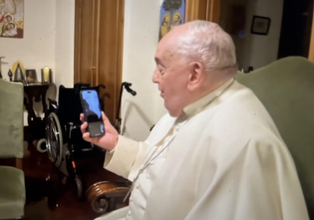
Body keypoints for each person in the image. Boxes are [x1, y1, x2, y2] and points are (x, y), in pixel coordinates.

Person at [80, 20, 309, 220]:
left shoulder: (244, 143)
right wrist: (116, 143)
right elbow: (159, 169)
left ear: (194, 74)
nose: (153, 77)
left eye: (161, 67)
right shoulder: (195, 103)